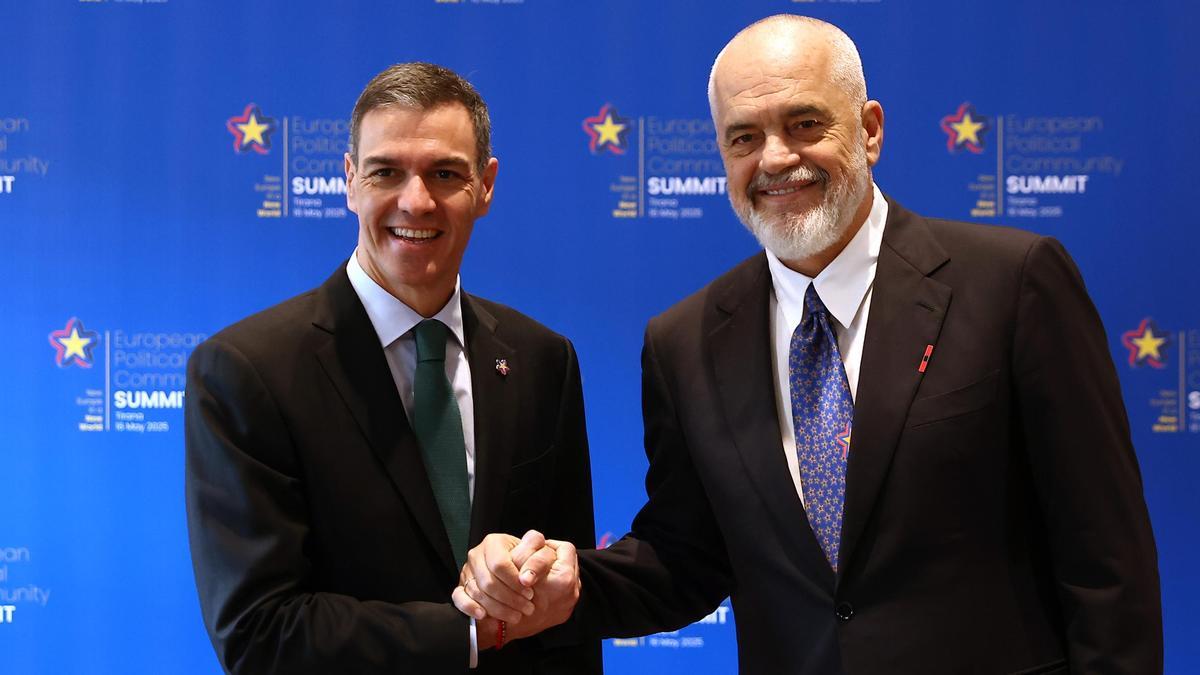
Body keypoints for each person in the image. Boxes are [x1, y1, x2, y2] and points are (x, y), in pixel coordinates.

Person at [454, 16, 1163, 674]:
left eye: (804, 123)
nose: (777, 158)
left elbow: (1108, 563)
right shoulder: (684, 341)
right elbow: (686, 556)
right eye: (744, 136)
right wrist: (566, 584)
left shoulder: (1012, 283)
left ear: (870, 129)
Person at [184, 62, 601, 674]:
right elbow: (261, 632)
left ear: (485, 186)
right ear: (350, 181)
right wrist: (472, 631)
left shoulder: (543, 359)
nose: (416, 200)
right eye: (386, 172)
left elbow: (567, 605)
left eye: (444, 173)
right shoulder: (247, 371)